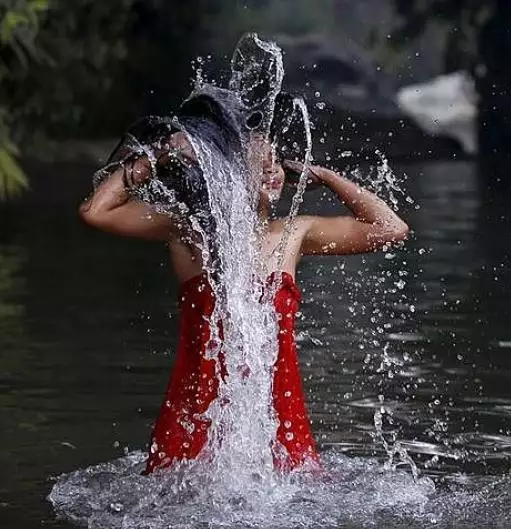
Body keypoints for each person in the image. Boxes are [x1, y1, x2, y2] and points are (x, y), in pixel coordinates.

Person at [78, 131, 409, 474]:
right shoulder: (188, 231)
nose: (271, 168)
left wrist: (323, 176)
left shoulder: (292, 233)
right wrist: (155, 158)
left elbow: (391, 228)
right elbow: (95, 212)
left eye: (275, 159)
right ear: (224, 172)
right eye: (255, 161)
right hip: (198, 408)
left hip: (277, 409)